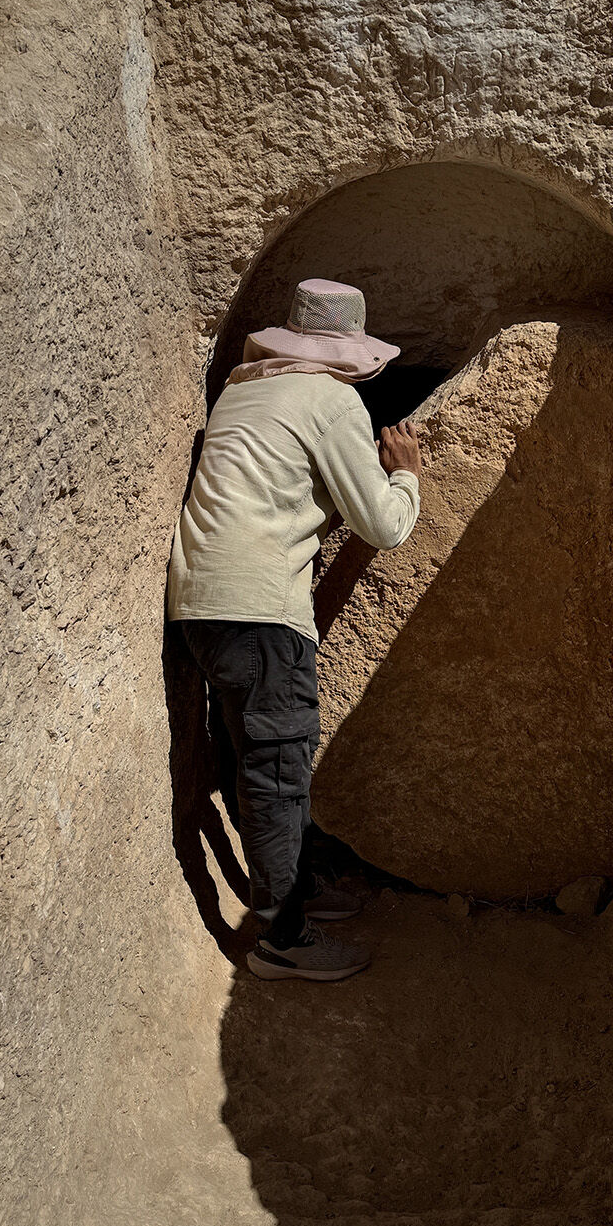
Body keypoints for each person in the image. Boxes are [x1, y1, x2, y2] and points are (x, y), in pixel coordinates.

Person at [168, 279, 422, 981]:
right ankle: (283, 938)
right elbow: (384, 525)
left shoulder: (244, 392)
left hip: (200, 604)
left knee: (259, 758)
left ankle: (294, 887)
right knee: (278, 768)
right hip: (260, 610)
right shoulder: (333, 400)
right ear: (347, 352)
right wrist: (405, 476)